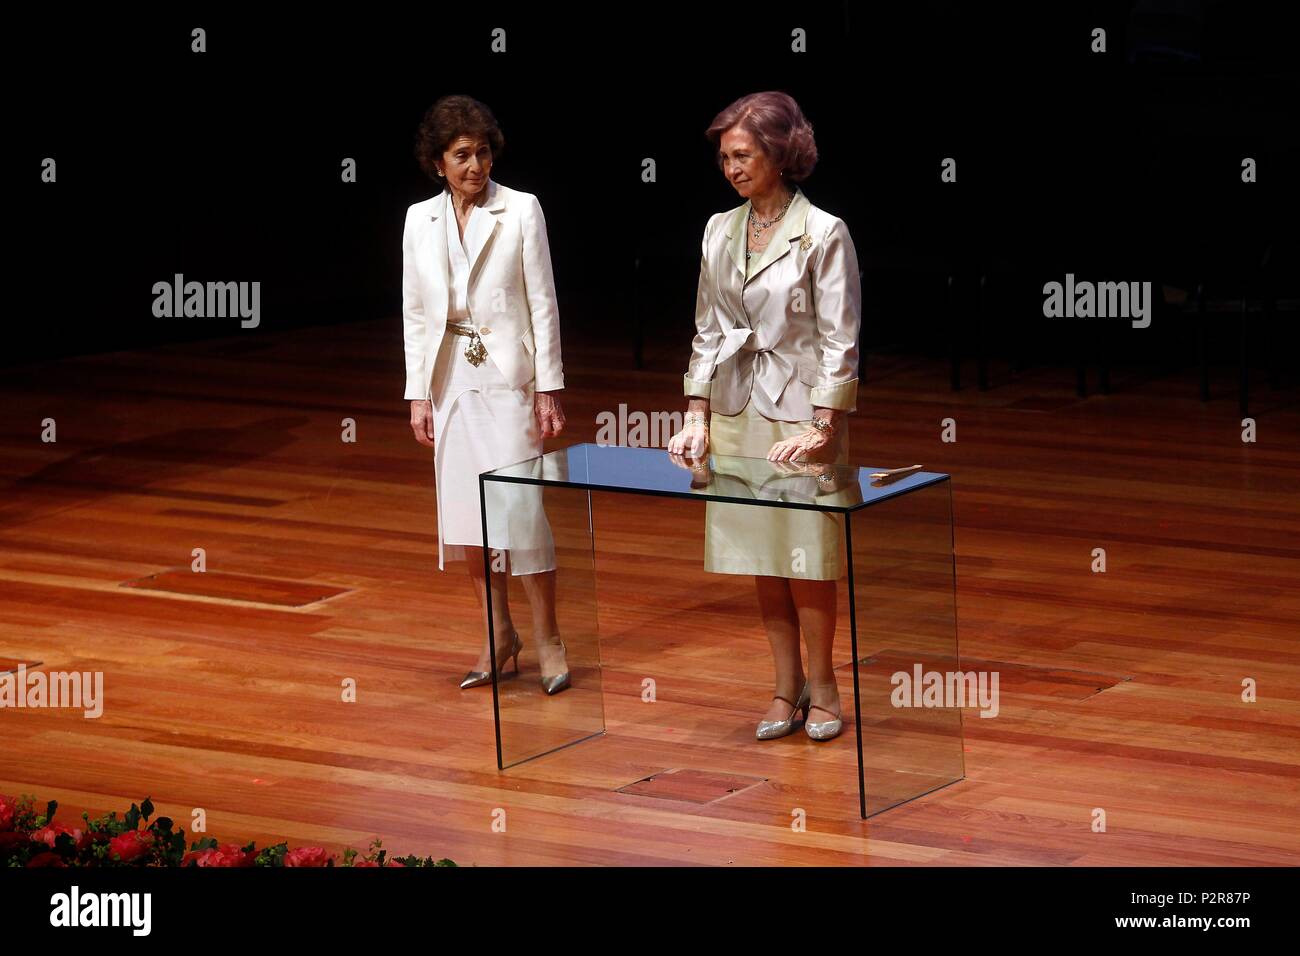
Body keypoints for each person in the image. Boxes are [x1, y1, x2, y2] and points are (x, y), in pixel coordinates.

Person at [667, 91, 862, 741]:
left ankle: (825, 685)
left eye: (743, 155)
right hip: (736, 409)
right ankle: (785, 687)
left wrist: (825, 425)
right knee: (762, 555)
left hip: (801, 416)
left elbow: (840, 339)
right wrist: (695, 412)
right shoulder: (717, 229)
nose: (731, 168)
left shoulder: (824, 232)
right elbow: (706, 329)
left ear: (779, 154)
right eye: (724, 158)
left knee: (806, 555)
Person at [402, 94, 571, 694]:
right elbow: (416, 314)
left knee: (520, 512)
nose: (476, 165)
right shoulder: (418, 220)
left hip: (507, 378)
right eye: (462, 155)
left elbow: (543, 303)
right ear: (438, 162)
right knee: (467, 514)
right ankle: (498, 634)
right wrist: (417, 394)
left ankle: (549, 637)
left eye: (483, 152)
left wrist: (548, 387)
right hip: (451, 379)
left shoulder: (521, 210)